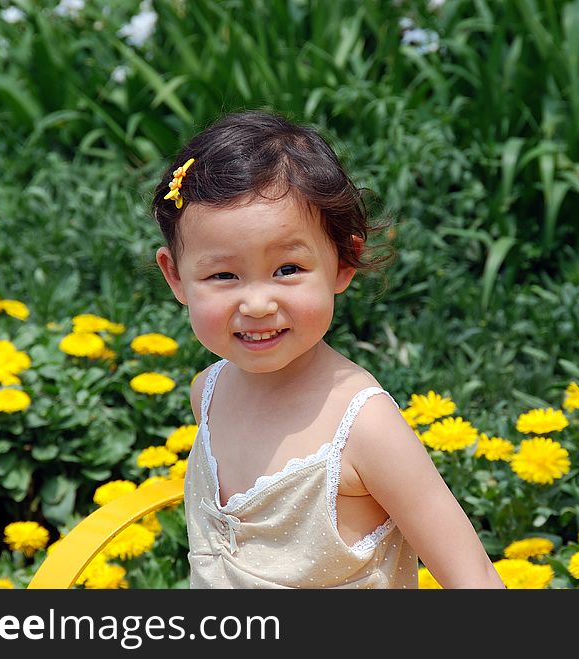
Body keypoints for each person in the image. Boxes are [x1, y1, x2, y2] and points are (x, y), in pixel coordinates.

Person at [153, 110, 504, 589]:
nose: (257, 304)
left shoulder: (364, 428)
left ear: (344, 261)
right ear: (175, 276)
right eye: (223, 275)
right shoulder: (209, 393)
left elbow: (474, 579)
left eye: (288, 270)